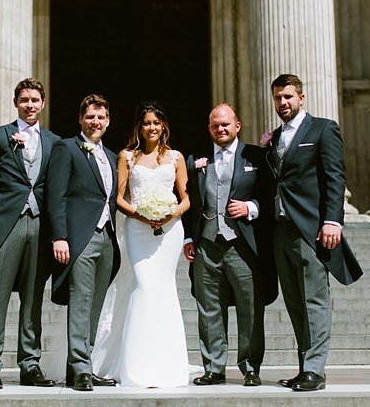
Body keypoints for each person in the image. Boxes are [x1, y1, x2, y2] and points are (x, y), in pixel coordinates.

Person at [265, 74, 363, 392]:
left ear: (301, 98)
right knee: (295, 302)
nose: (283, 103)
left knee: (314, 300)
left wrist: (333, 220)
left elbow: (335, 176)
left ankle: (316, 370)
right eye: (278, 98)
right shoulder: (274, 137)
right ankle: (305, 366)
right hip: (280, 230)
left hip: (310, 229)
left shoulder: (323, 128)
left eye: (289, 97)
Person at [0, 78, 59, 389]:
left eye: (35, 99)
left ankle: (30, 363)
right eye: (24, 100)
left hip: (40, 225)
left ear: (43, 103)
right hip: (6, 226)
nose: (30, 105)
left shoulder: (53, 141)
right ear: (16, 102)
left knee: (33, 298)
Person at [93, 101, 191, 387]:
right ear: (140, 126)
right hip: (137, 230)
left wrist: (169, 214)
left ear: (164, 127)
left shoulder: (176, 158)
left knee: (164, 291)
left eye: (156, 123)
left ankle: (166, 364)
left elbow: (186, 198)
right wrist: (142, 214)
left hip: (169, 231)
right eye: (147, 123)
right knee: (143, 286)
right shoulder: (127, 157)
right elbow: (119, 198)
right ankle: (135, 366)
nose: (152, 128)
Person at [183, 103, 274, 387]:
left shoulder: (257, 157)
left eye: (225, 124)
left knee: (249, 307)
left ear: (237, 125)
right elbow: (189, 201)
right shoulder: (196, 160)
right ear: (209, 128)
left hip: (242, 245)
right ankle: (213, 367)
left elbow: (270, 195)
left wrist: (250, 207)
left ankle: (250, 367)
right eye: (215, 125)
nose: (220, 129)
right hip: (206, 244)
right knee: (209, 308)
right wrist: (188, 237)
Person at [46, 94, 121, 391]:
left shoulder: (113, 157)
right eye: (90, 117)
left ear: (108, 121)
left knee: (95, 306)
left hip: (107, 238)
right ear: (80, 119)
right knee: (80, 302)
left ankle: (83, 365)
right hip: (80, 238)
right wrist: (60, 236)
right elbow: (56, 195)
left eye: (101, 117)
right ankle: (80, 369)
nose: (95, 122)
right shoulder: (66, 148)